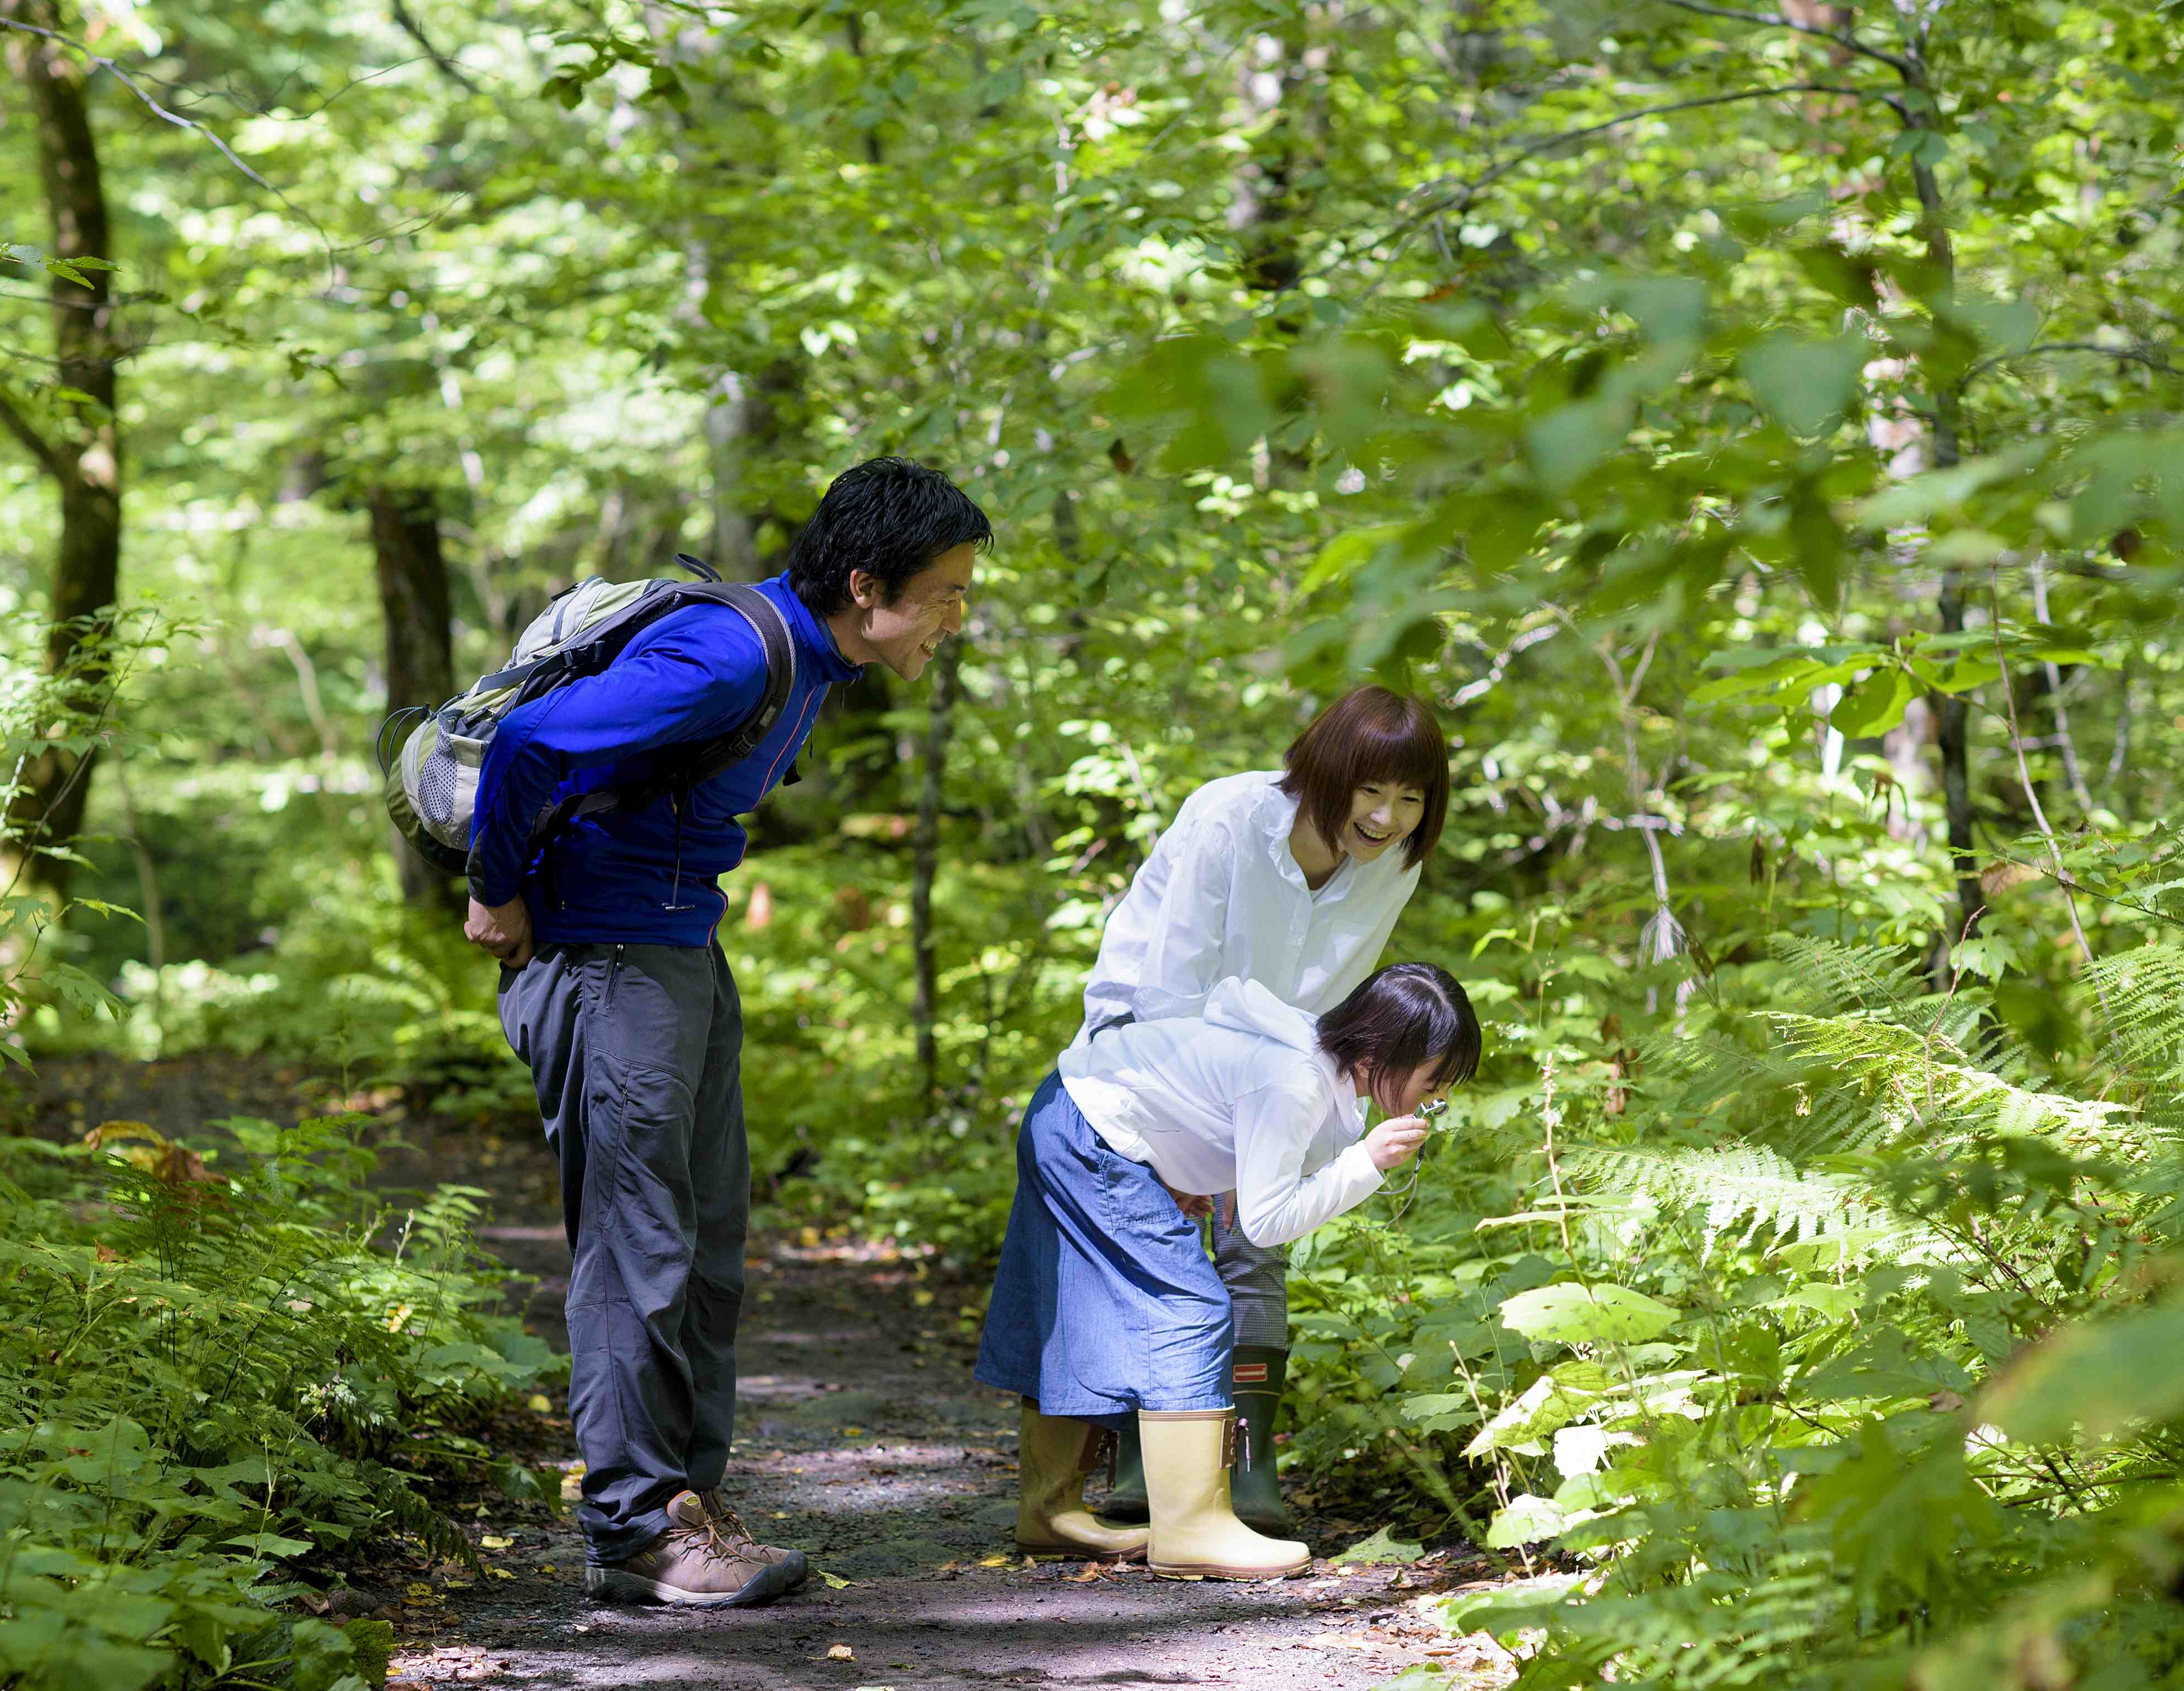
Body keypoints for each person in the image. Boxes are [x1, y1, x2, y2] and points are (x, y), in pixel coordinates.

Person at [465, 457, 991, 1608]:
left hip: (674, 951)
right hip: (605, 960)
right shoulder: (731, 655)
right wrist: (496, 887)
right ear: (866, 583)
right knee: (636, 1242)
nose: (958, 613)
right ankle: (632, 1532)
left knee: (706, 1243)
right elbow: (530, 743)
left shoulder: (814, 657)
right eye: (946, 590)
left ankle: (688, 1507)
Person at [1081, 686, 1450, 1535]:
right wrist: (1180, 1142)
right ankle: (1148, 1453)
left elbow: (1329, 1000)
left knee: (1256, 1235)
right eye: (1370, 791)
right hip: (1148, 1042)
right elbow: (1169, 986)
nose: (1386, 818)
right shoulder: (1228, 820)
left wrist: (1281, 1131)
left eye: (1410, 798)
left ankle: (1247, 1462)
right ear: (1327, 769)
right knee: (1163, 1243)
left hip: (1273, 1057)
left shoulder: (1393, 863)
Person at [975, 964, 1482, 1580]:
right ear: (1384, 1052)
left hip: (1073, 1113)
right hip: (1087, 1130)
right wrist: (1366, 1164)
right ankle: (1190, 1527)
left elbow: (1192, 1104)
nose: (1435, 1097)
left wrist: (1181, 1171)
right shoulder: (1294, 1078)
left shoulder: (1307, 1059)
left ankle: (1049, 1511)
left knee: (1081, 1305)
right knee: (1191, 1307)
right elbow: (1264, 1225)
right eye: (1432, 1079)